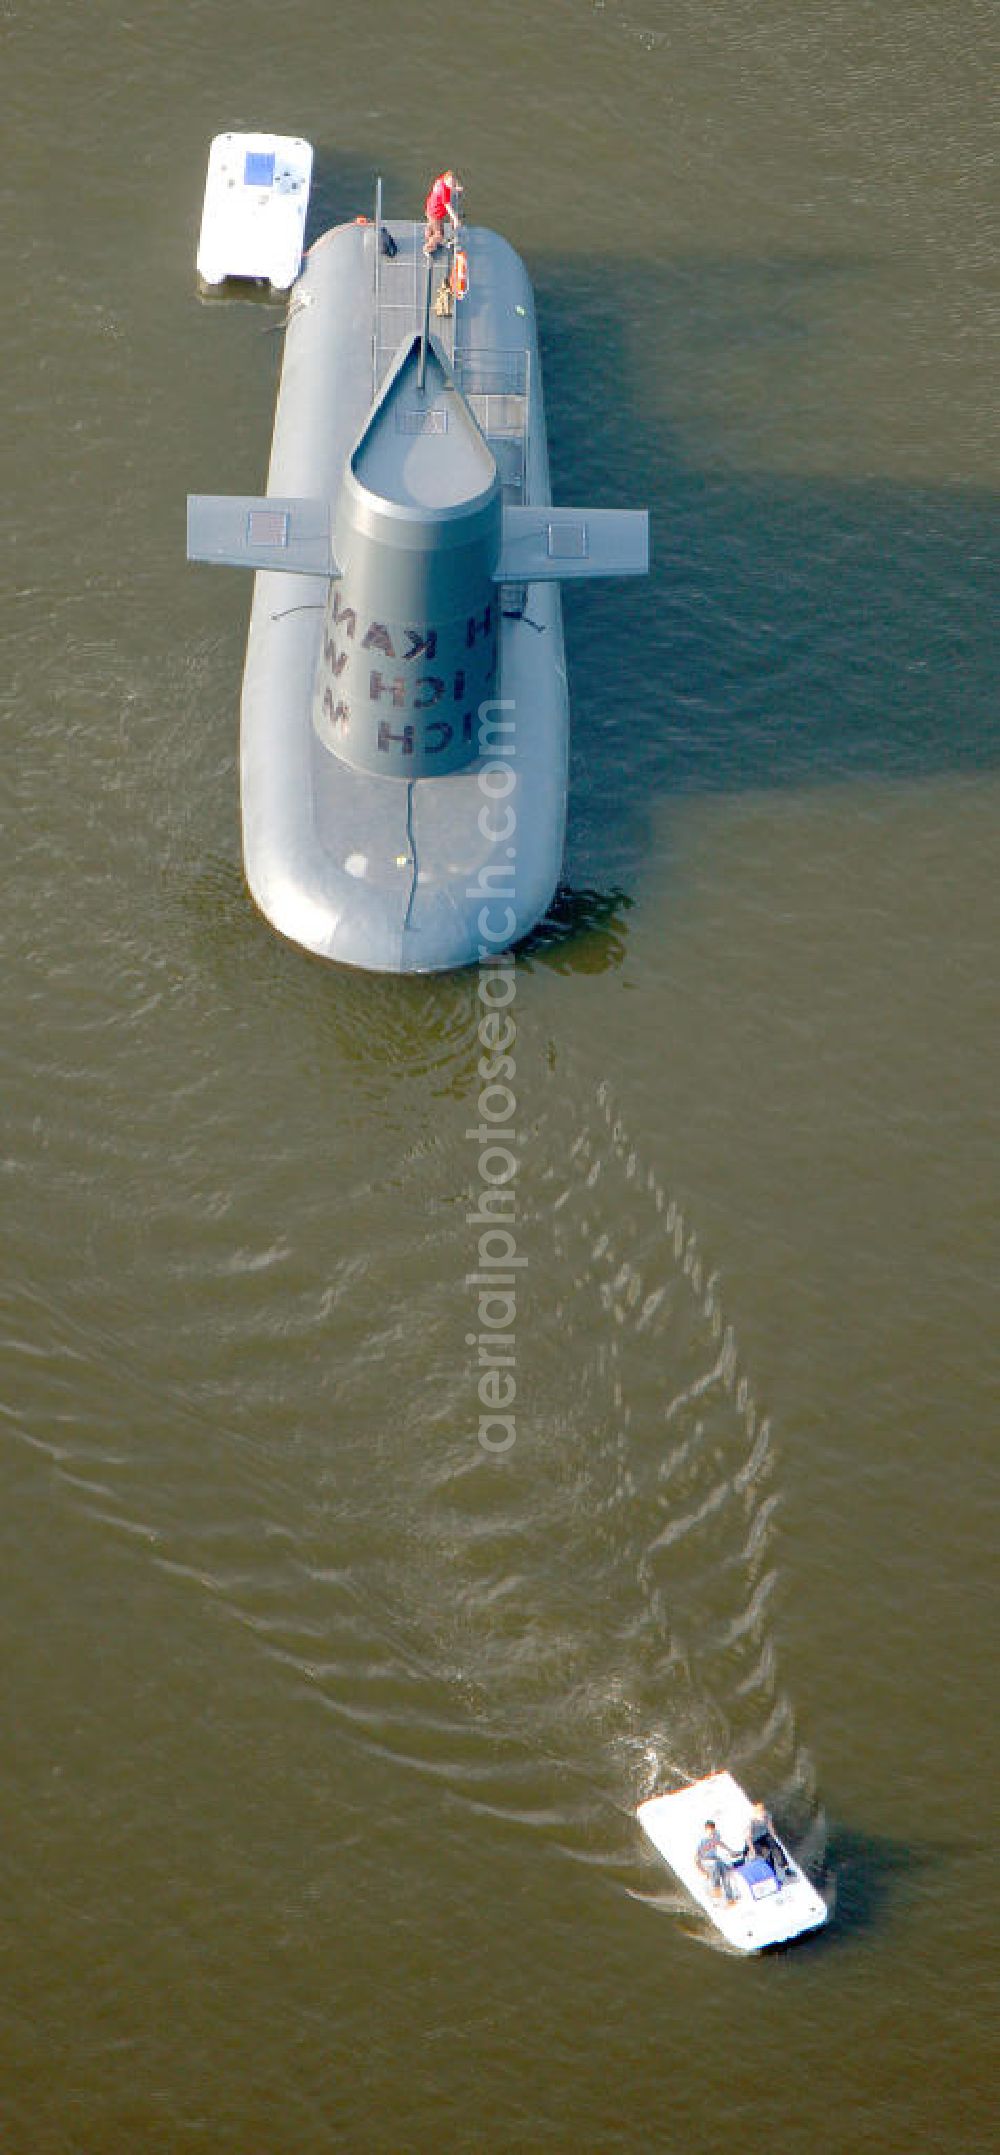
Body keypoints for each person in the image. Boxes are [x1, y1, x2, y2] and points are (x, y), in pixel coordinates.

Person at [743, 1799, 793, 1882]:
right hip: (754, 1840)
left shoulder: (766, 1815)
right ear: (756, 1813)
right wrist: (752, 1850)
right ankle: (773, 1875)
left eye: (763, 1812)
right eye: (761, 1813)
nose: (763, 1815)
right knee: (767, 1855)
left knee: (776, 1848)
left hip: (764, 1835)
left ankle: (785, 1868)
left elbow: (770, 1827)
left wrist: (774, 1838)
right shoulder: (751, 1821)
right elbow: (748, 1838)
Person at [695, 1819, 740, 1902]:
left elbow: (719, 1843)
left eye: (713, 1830)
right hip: (705, 1861)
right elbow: (696, 1858)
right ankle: (716, 1888)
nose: (712, 1832)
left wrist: (731, 1851)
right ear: (706, 1830)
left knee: (725, 1871)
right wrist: (702, 1871)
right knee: (716, 1863)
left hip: (715, 1859)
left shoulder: (716, 1835)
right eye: (710, 1830)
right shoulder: (702, 1841)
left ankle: (730, 1898)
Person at [423, 170, 463, 256]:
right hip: (435, 213)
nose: (452, 185)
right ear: (446, 180)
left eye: (453, 183)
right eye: (451, 183)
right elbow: (448, 206)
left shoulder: (440, 180)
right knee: (439, 234)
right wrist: (456, 219)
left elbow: (450, 183)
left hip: (430, 207)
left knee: (432, 225)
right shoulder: (444, 191)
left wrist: (455, 188)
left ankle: (428, 235)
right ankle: (428, 247)